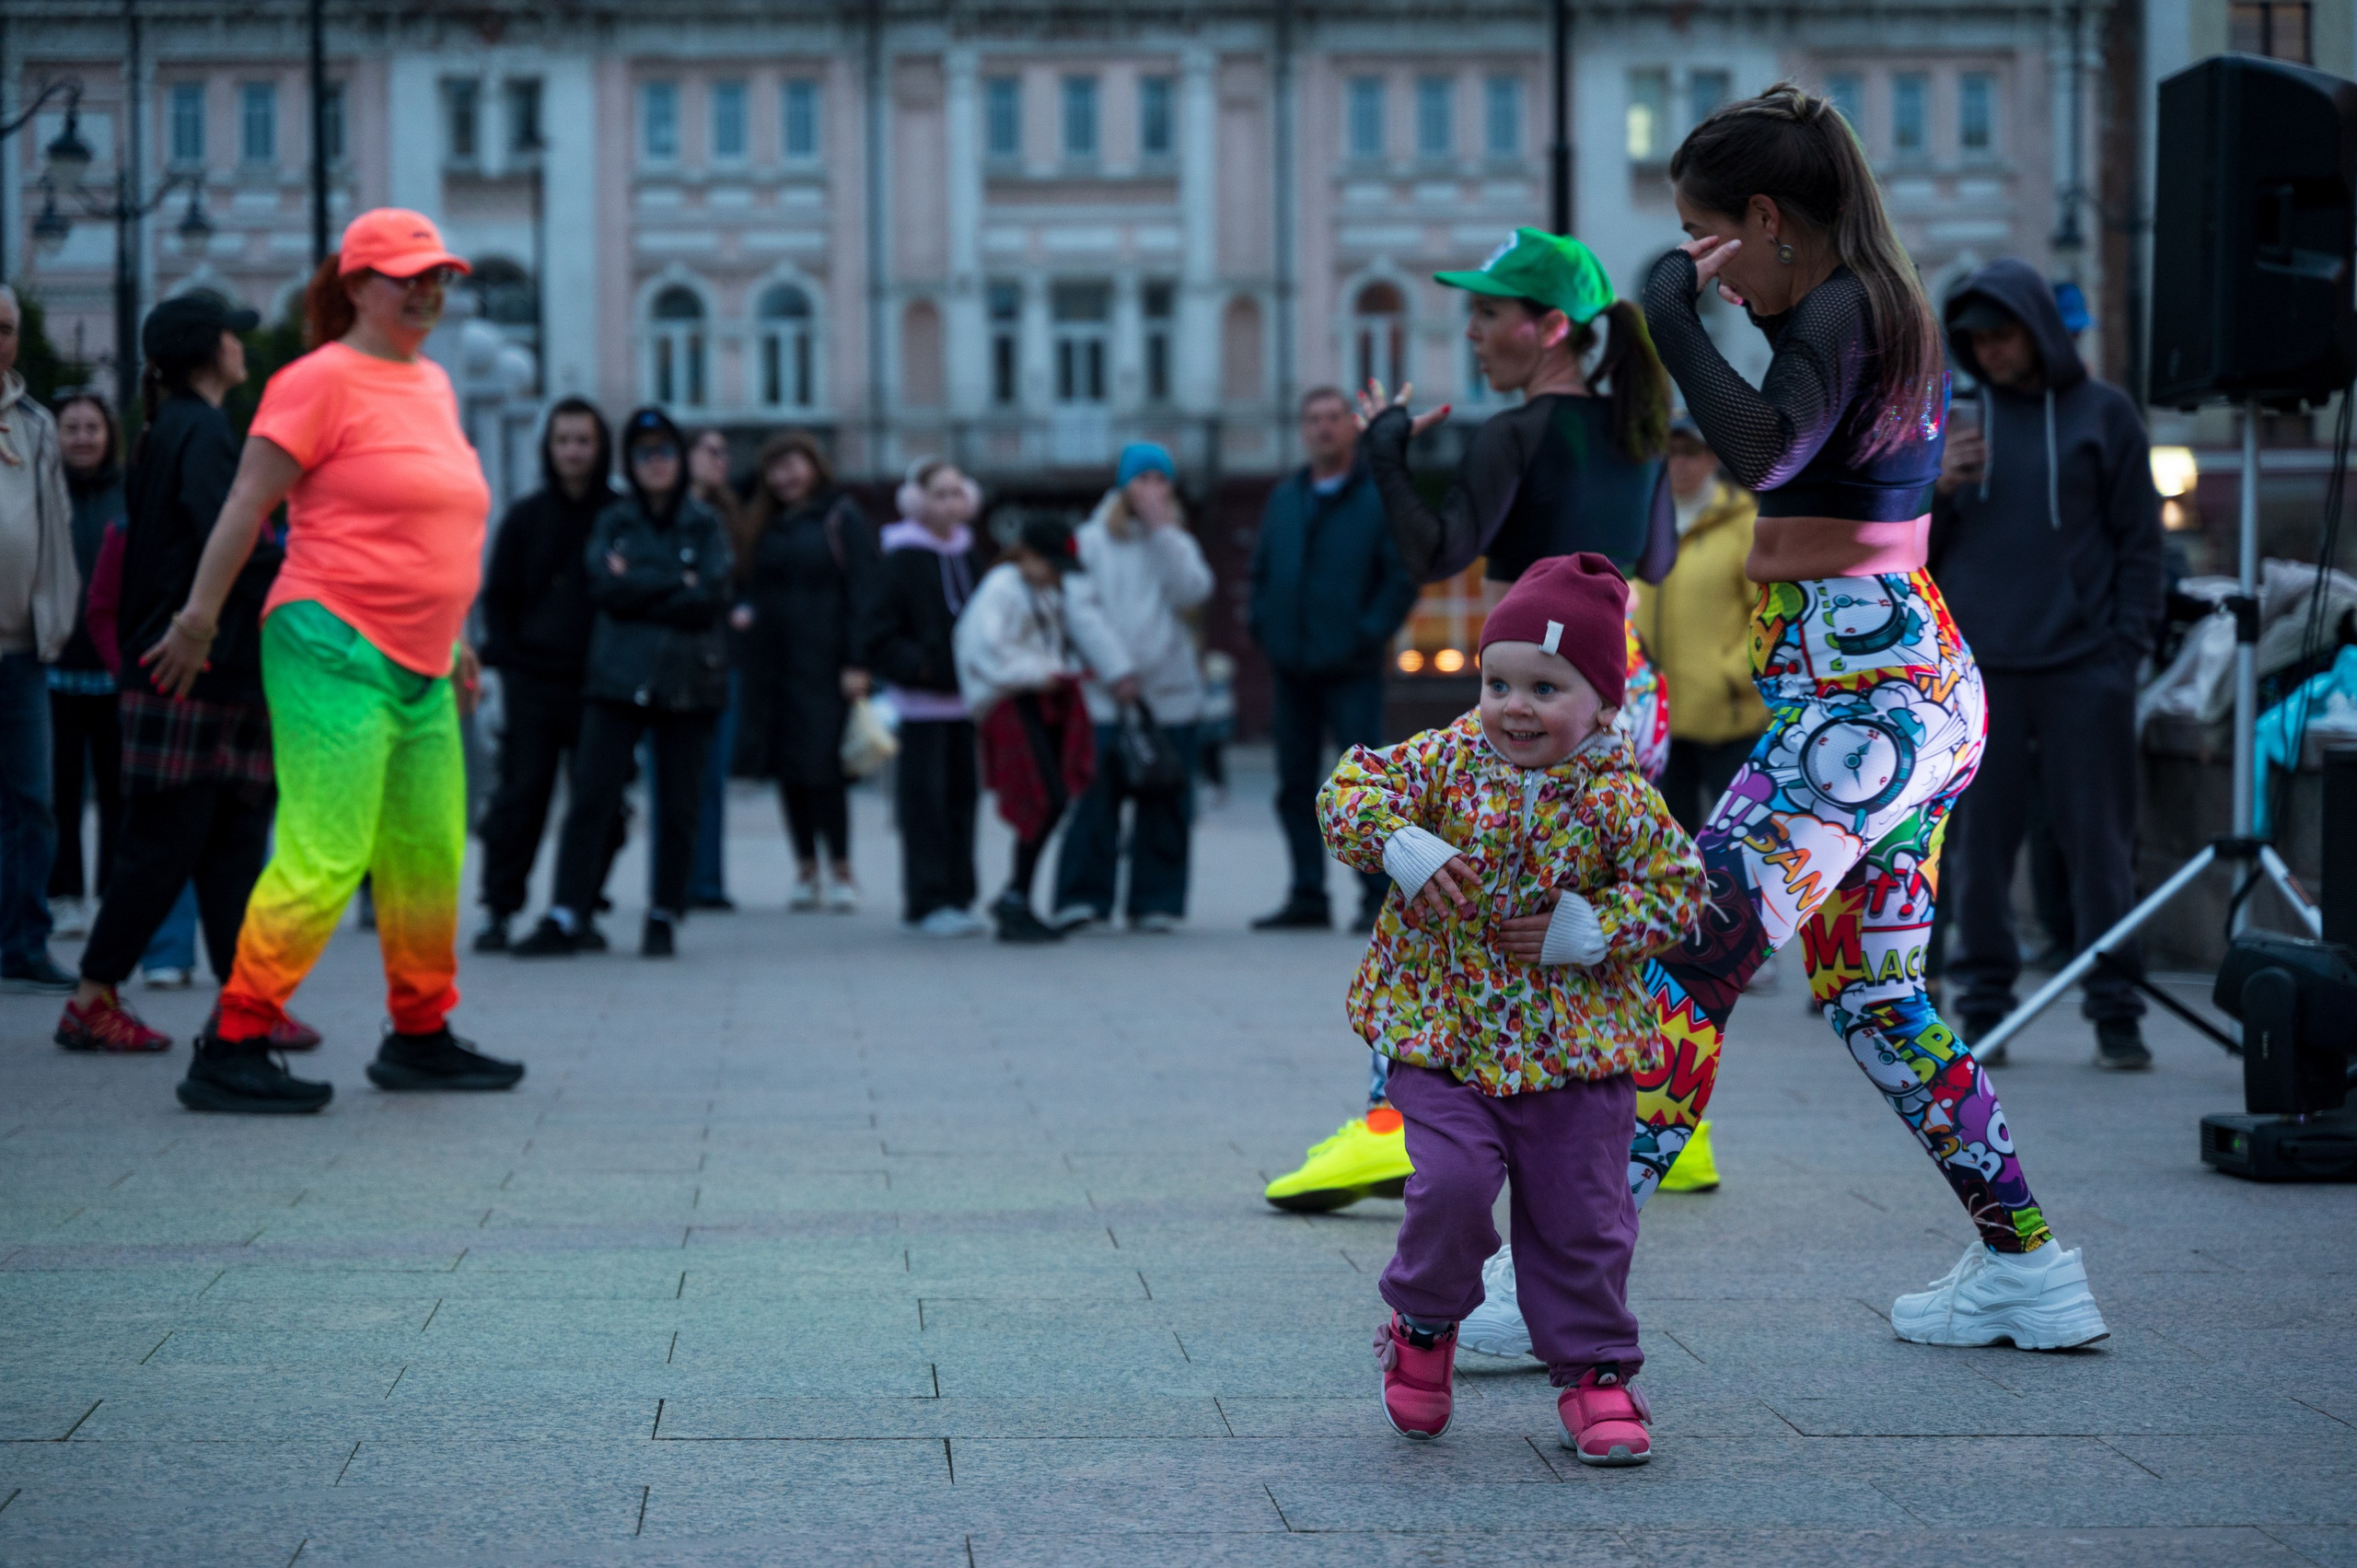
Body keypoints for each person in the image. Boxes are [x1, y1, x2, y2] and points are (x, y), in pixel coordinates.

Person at [1620, 84, 2105, 1345]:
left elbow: (1768, 454)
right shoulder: (1870, 304)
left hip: (1865, 693)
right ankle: (2027, 1268)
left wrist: (1670, 317)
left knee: (1692, 947)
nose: (1709, 272)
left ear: (1767, 217)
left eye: (1707, 240)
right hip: (1893, 682)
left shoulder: (1843, 307)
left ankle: (1557, 1278)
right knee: (1876, 994)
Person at [1261, 228, 1673, 1215]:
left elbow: (1438, 552)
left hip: (1528, 698)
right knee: (1598, 906)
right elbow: (1652, 555)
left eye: (1489, 316)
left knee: (1454, 909)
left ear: (1550, 329)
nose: (1475, 334)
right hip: (1624, 694)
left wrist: (1388, 456)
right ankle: (1651, 1114)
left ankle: (1394, 1118)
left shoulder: (1513, 433)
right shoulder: (1641, 430)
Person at [1318, 554, 1706, 1460]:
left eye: (1544, 685)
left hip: (1576, 1052)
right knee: (1449, 1191)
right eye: (1497, 681)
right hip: (1448, 1037)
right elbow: (1349, 790)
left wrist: (1598, 925)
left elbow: (1680, 889)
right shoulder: (1448, 758)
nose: (1513, 705)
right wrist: (1399, 841)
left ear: (1604, 705)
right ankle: (1421, 1323)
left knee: (1583, 1217)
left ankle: (1595, 1373)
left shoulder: (1617, 795)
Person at [143, 209, 525, 1109]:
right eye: (409, 276)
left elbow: (432, 521)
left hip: (426, 659)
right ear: (357, 285)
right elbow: (247, 504)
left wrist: (457, 637)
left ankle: (420, 1034)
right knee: (328, 848)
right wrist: (197, 618)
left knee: (427, 853)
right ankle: (234, 1037)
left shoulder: (432, 384)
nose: (429, 291)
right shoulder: (315, 380)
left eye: (439, 276)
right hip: (329, 638)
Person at [57, 294, 325, 1058]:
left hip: (211, 668)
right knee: (165, 844)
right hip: (192, 666)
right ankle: (93, 998)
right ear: (209, 349)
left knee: (231, 844)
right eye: (232, 333)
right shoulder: (202, 430)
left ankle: (249, 1002)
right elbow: (231, 538)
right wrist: (319, 573)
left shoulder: (165, 428)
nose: (243, 344)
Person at [1931, 260, 2166, 1072]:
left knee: (2100, 845)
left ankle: (2117, 1012)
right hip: (1982, 670)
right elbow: (1909, 558)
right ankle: (1985, 1012)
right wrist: (1938, 490)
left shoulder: (2107, 415)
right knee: (1978, 853)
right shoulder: (1957, 421)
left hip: (2084, 670)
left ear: (2038, 328)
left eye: (2002, 335)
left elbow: (2143, 545)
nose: (1989, 352)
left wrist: (2123, 651)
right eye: (1975, 341)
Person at [511, 410, 730, 959]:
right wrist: (671, 583)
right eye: (643, 454)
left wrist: (640, 581)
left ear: (680, 460)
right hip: (615, 678)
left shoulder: (703, 523)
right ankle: (565, 912)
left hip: (687, 682)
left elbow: (709, 595)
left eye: (664, 452)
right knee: (592, 798)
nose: (655, 464)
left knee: (678, 803)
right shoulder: (616, 520)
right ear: (629, 464)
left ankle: (664, 912)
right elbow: (603, 589)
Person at [1248, 387, 1418, 934]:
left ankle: (1375, 898)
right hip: (1292, 667)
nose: (1322, 428)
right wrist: (1264, 627)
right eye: (1312, 419)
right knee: (1293, 785)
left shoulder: (1377, 496)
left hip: (1352, 669)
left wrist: (1366, 635)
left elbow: (1402, 574)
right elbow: (1262, 571)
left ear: (1352, 427)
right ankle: (1306, 894)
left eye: (1332, 419)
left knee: (1363, 787)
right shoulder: (1286, 497)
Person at [1050, 443, 1215, 934]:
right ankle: (1083, 897)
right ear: (1123, 485)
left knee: (1166, 800)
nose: (1152, 489)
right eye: (1142, 479)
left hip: (1170, 695)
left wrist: (1164, 531)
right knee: (1096, 800)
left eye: (1161, 479)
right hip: (1106, 696)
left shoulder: (1174, 539)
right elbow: (1079, 608)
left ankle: (1156, 899)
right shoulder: (1092, 539)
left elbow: (1194, 591)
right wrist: (1115, 669)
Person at [472, 399, 617, 953]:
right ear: (549, 448)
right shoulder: (526, 517)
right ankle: (499, 908)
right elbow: (500, 597)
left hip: (601, 686)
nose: (574, 451)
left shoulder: (617, 515)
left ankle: (579, 907)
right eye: (563, 441)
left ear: (599, 447)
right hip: (533, 681)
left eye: (583, 440)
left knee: (599, 802)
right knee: (520, 797)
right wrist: (506, 660)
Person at [953, 514, 1132, 943]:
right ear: (1028, 555)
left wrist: (1057, 672)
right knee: (1043, 796)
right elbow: (983, 651)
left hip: (1038, 697)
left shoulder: (1044, 588)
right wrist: (1043, 672)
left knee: (1051, 797)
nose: (1056, 574)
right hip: (1009, 699)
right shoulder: (1001, 587)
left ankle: (1017, 895)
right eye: (1050, 563)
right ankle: (1015, 895)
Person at [736, 432, 879, 912]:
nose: (784, 477)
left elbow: (864, 591)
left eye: (792, 466)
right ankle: (805, 867)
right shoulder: (764, 523)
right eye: (775, 469)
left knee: (824, 771)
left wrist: (858, 660)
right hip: (774, 665)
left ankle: (841, 866)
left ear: (814, 467)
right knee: (788, 771)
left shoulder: (842, 517)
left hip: (827, 664)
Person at [864, 459, 990, 935]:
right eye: (938, 493)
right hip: (919, 706)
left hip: (966, 703)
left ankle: (960, 896)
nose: (949, 502)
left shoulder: (968, 555)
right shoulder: (900, 558)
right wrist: (919, 666)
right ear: (917, 501)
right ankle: (926, 899)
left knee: (963, 801)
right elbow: (877, 633)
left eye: (957, 492)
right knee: (924, 805)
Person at [0, 285, 82, 994]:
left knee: (34, 799)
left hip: (21, 650)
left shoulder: (35, 424)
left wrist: (58, 615)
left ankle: (23, 942)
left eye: (3, 329)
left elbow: (54, 528)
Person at [1633, 415, 1767, 838]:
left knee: (1738, 842)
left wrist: (1733, 675)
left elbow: (1768, 616)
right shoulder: (1644, 518)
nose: (1678, 462)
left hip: (1726, 719)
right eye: (1670, 451)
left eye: (1690, 451)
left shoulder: (1745, 524)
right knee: (1668, 846)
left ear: (1712, 457)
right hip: (1656, 721)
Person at [48, 392, 125, 939]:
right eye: (71, 428)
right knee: (61, 790)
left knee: (120, 789)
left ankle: (115, 894)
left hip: (117, 667)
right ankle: (66, 894)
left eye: (91, 427)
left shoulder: (129, 494)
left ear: (108, 434)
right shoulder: (42, 491)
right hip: (53, 663)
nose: (81, 437)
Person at [684, 427, 742, 912]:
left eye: (725, 453)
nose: (721, 461)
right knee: (672, 774)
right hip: (671, 657)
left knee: (712, 775)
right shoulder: (662, 514)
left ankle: (708, 880)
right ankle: (677, 878)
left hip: (721, 659)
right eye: (712, 452)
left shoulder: (731, 515)